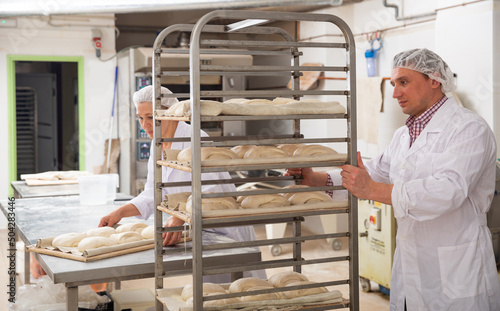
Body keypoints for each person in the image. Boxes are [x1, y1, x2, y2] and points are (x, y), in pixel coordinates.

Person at [287, 48, 500, 310]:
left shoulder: (469, 129)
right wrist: (316, 179)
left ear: (435, 80)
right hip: (412, 264)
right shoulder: (403, 134)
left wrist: (373, 190)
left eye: (404, 82)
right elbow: (377, 170)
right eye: (393, 84)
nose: (396, 93)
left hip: (457, 267)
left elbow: (447, 192)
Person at [99, 85, 265, 281]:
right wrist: (121, 212)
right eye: (140, 118)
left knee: (239, 290)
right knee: (209, 295)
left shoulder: (196, 139)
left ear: (170, 112)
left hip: (223, 230)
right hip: (199, 232)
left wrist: (180, 217)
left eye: (151, 117)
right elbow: (154, 191)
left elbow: (210, 193)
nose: (144, 125)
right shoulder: (158, 143)